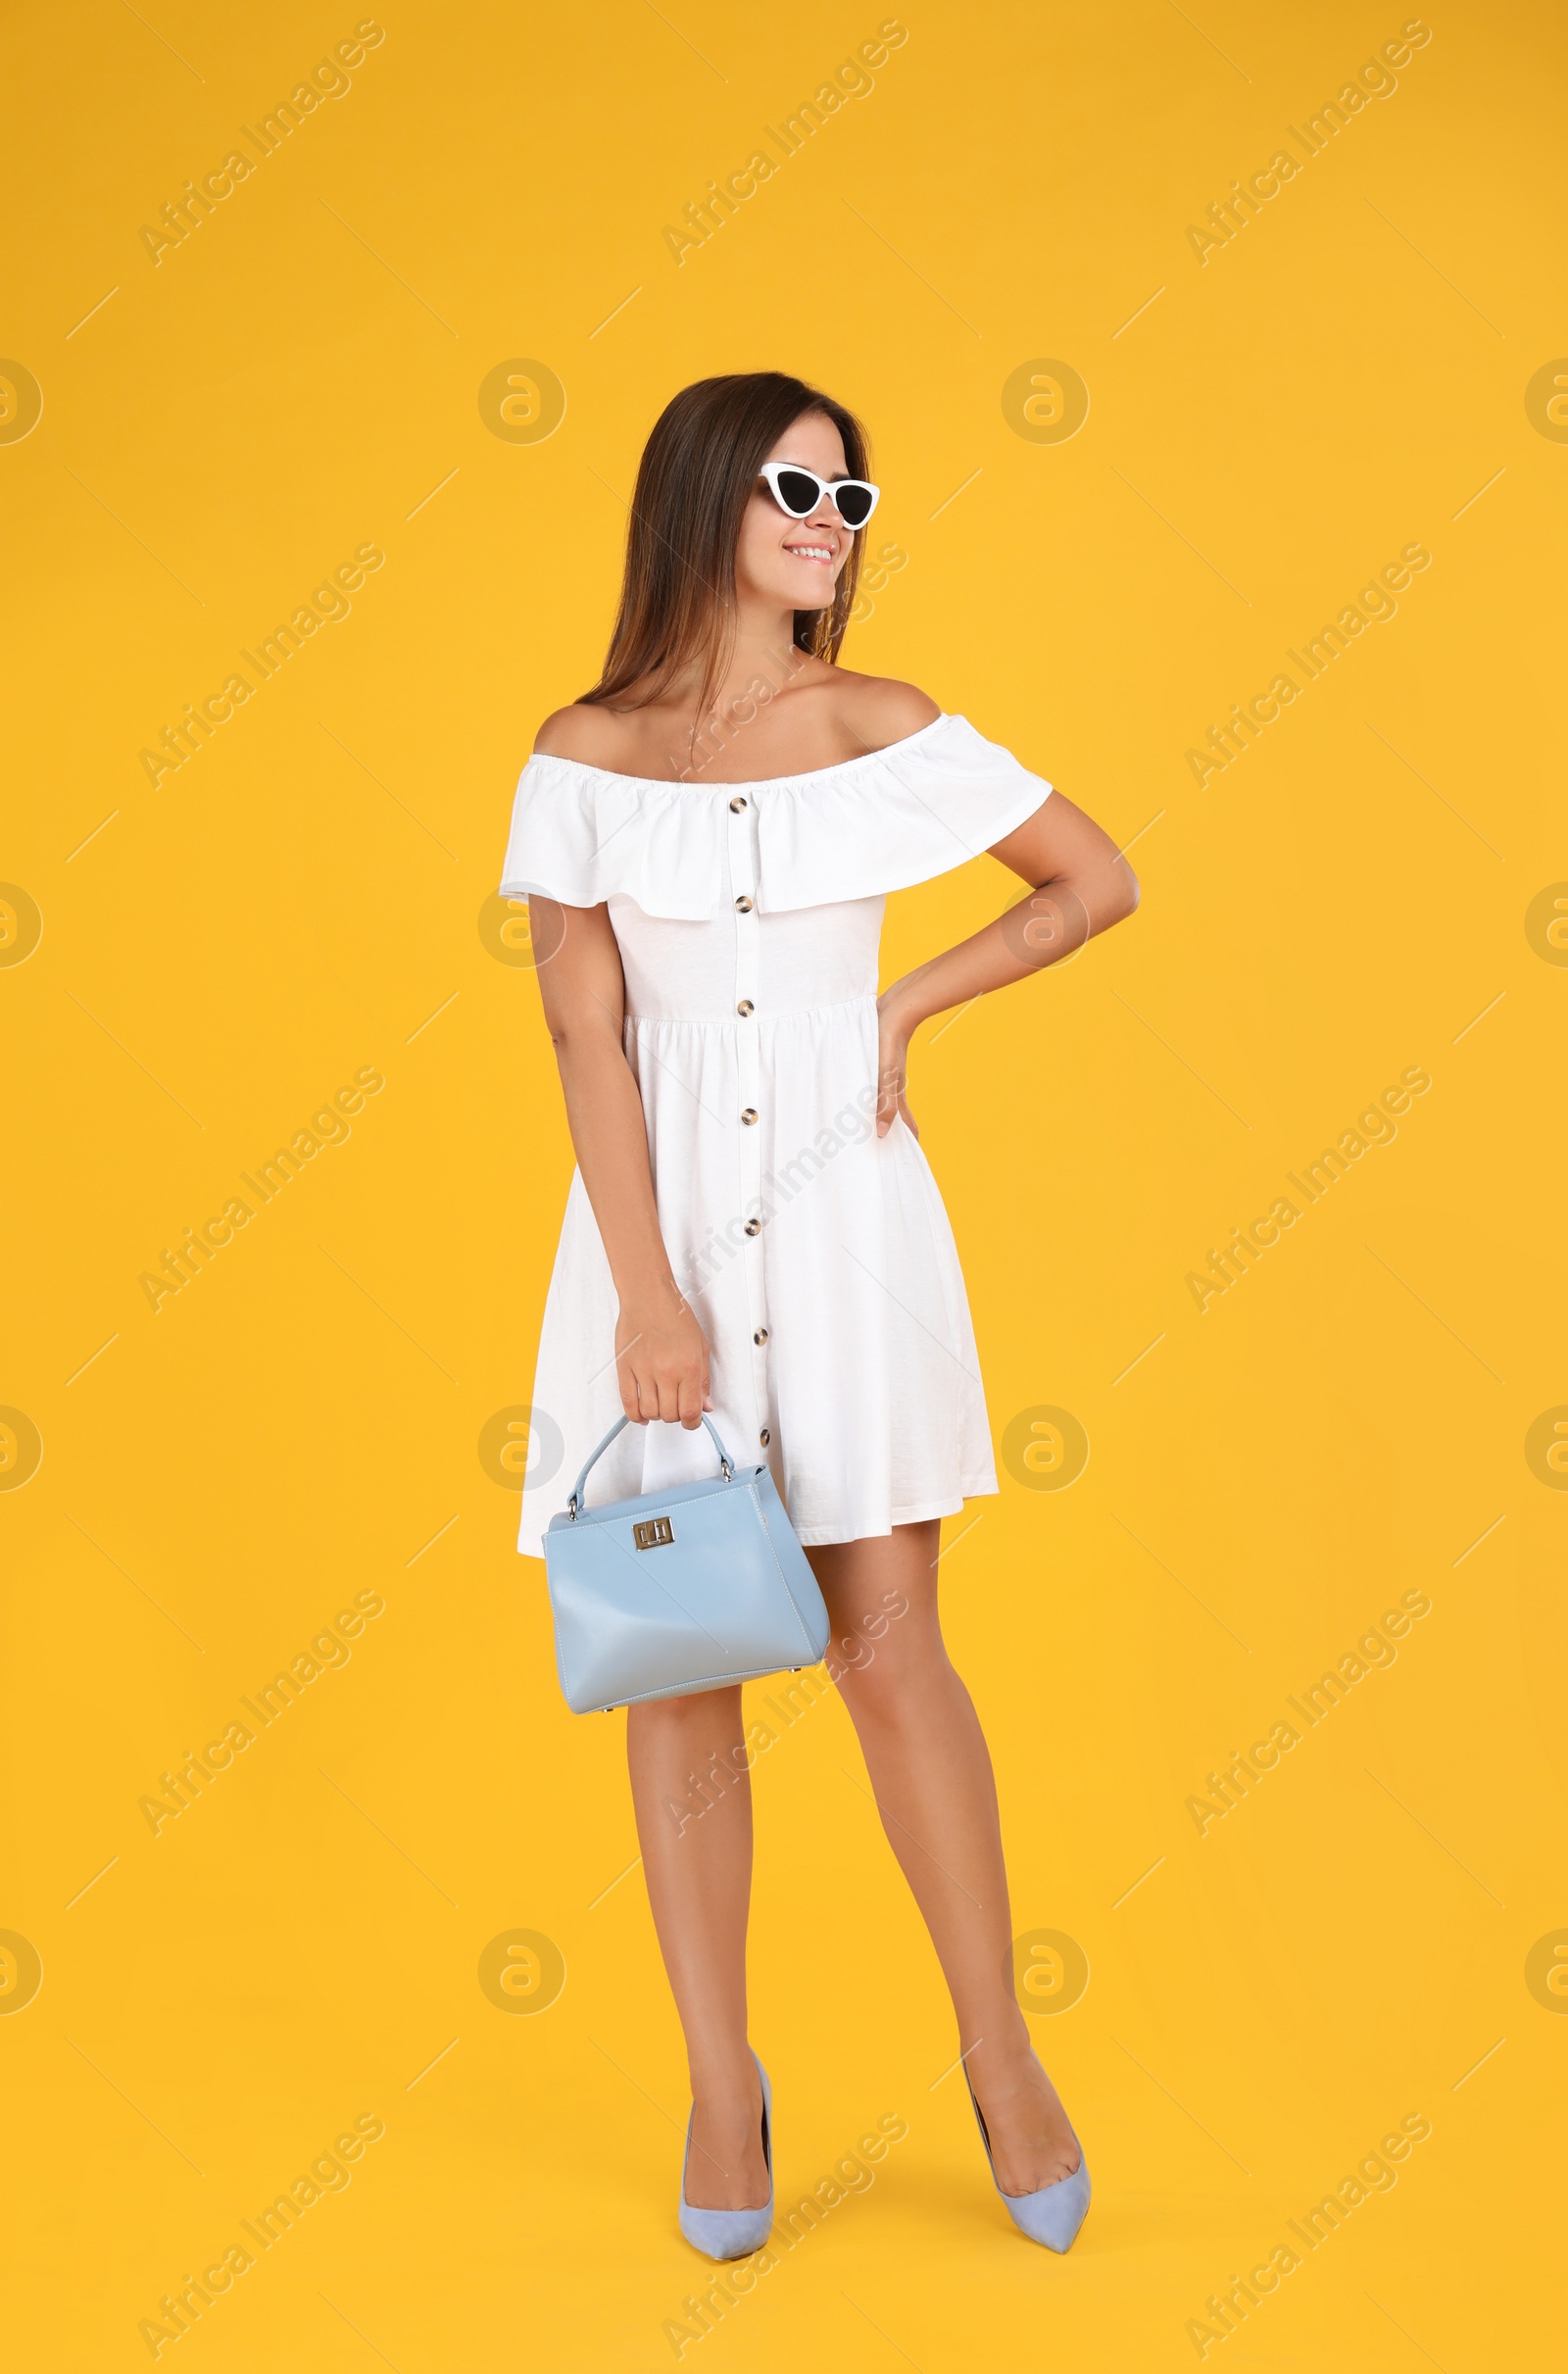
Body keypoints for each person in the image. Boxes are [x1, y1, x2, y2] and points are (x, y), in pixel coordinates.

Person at [499, 371, 1138, 2257]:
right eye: (797, 486)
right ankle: (722, 2085)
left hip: (849, 1227)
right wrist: (643, 1294)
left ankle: (1001, 2054)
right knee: (678, 1652)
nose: (826, 523)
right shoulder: (584, 750)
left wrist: (908, 1006)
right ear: (703, 490)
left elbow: (1090, 880)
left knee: (892, 1648)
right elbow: (581, 1028)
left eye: (851, 503)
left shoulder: (882, 722)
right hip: (659, 1233)